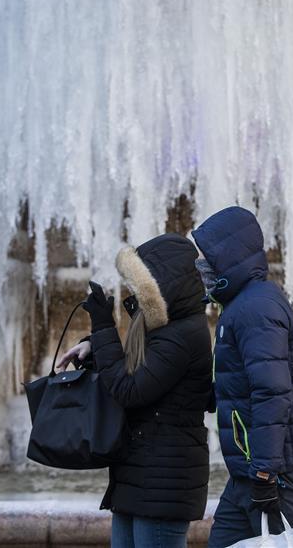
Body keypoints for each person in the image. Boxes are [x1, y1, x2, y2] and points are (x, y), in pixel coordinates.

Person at [57, 233, 212, 548]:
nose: (134, 292)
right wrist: (95, 346)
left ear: (162, 286)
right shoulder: (167, 330)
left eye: (141, 285)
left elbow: (129, 390)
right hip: (141, 477)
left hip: (162, 484)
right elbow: (135, 370)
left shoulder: (182, 335)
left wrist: (103, 328)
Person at [191, 206, 293, 547]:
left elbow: (273, 392)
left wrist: (265, 471)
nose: (201, 266)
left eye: (207, 257)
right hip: (250, 473)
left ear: (229, 257)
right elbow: (239, 385)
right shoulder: (241, 305)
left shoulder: (255, 308)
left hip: (278, 472)